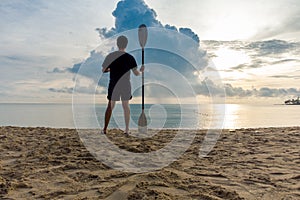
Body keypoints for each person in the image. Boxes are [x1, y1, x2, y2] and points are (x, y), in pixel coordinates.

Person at [102, 35, 144, 135]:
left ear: (117, 44)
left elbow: (104, 70)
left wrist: (112, 69)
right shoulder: (130, 58)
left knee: (110, 106)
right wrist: (141, 71)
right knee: (126, 106)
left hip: (114, 83)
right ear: (126, 44)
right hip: (125, 84)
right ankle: (126, 129)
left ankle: (105, 129)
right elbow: (136, 73)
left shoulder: (111, 56)